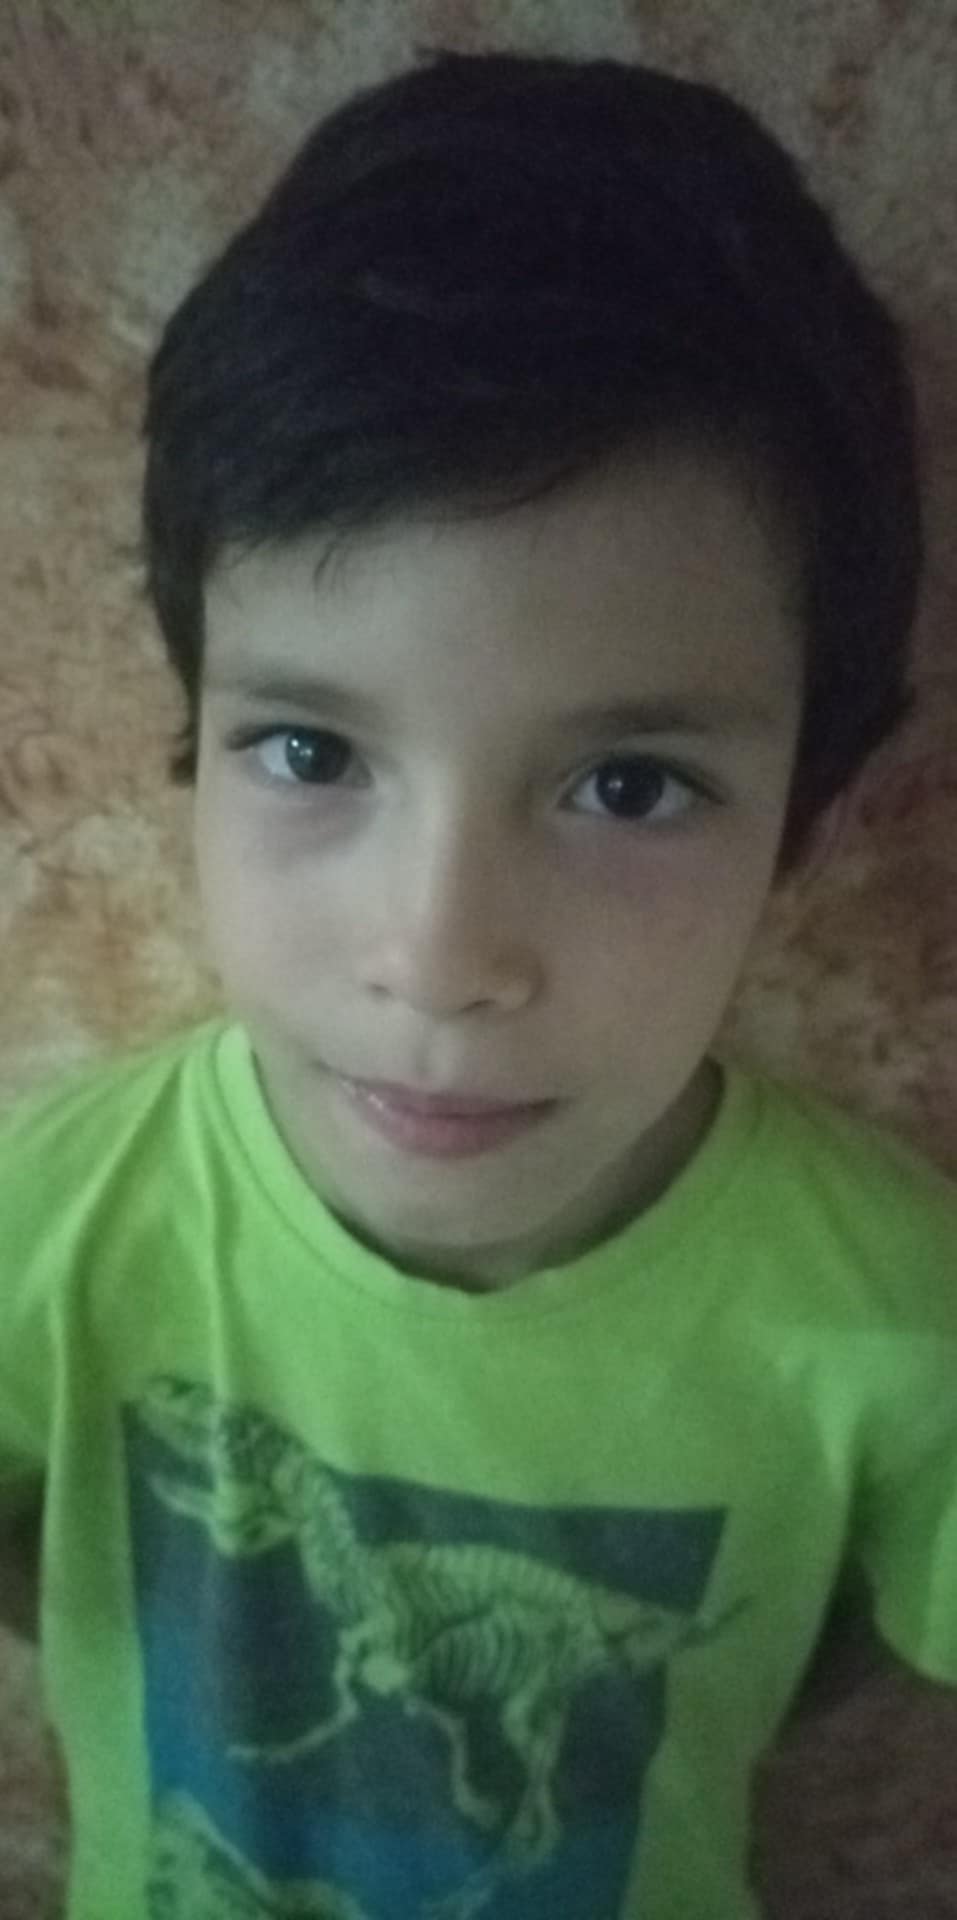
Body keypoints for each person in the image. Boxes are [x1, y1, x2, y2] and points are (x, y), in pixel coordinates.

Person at [1, 43, 955, 1920]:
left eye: (627, 786)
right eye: (309, 752)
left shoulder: (898, 1316)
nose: (437, 959)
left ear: (804, 825)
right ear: (192, 746)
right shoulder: (50, 1231)